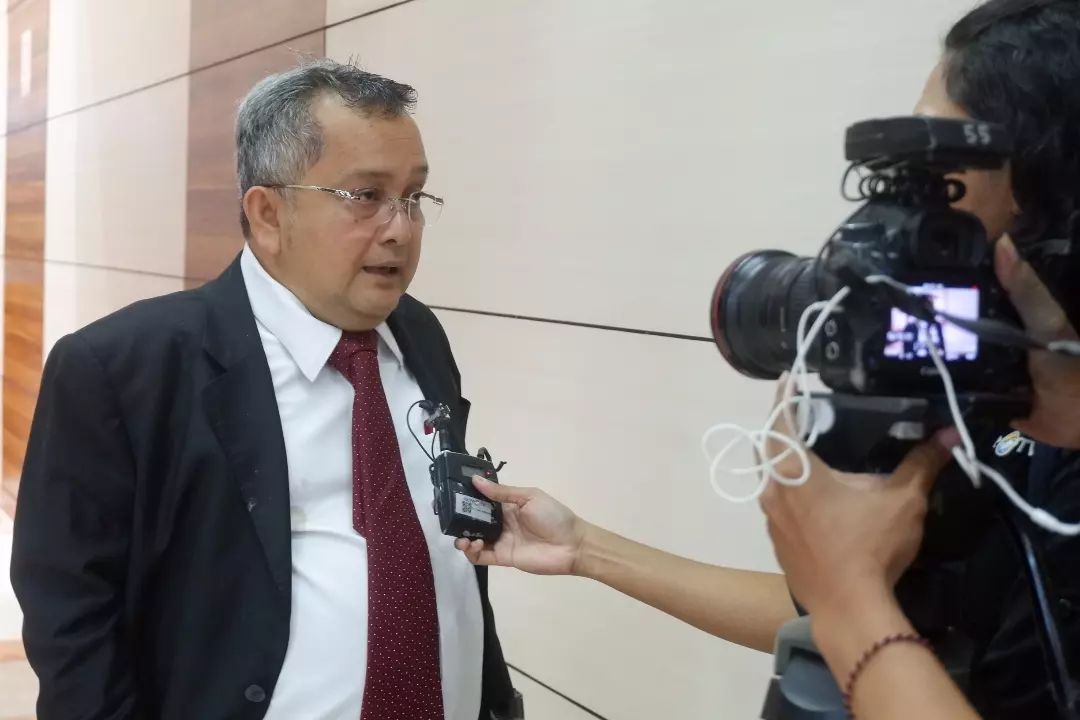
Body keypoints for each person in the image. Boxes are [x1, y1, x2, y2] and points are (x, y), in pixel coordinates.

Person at [457, 0, 1080, 717]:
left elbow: (857, 617)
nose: (914, 220)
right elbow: (875, 615)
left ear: (1048, 205)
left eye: (942, 178)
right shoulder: (998, 407)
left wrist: (850, 600)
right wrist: (587, 550)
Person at [11, 60, 520, 720]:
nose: (401, 228)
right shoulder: (122, 368)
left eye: (414, 196)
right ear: (269, 213)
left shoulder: (419, 334)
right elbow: (71, 616)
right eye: (366, 196)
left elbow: (445, 547)